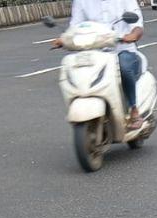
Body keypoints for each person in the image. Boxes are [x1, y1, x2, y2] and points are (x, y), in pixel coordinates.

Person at [54, 0, 146, 130]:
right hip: (94, 51)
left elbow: (137, 25)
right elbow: (75, 26)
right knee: (75, 67)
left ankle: (133, 109)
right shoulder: (81, 1)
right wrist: (64, 39)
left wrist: (133, 35)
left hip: (122, 49)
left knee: (124, 67)